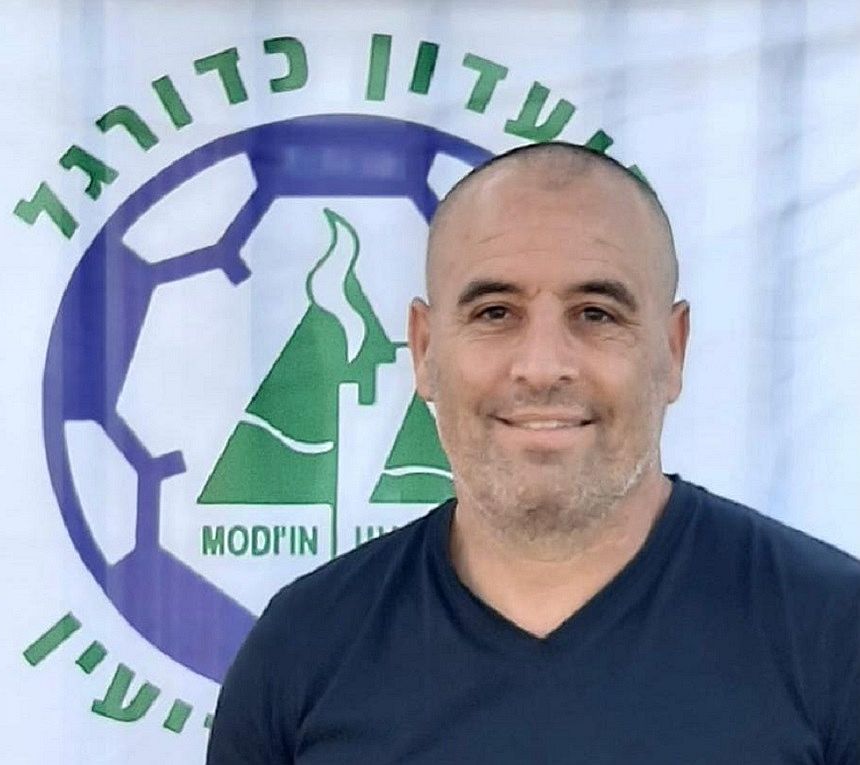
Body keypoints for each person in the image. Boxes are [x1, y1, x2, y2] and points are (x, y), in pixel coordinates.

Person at [207, 142, 860, 763]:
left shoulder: (835, 635)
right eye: (495, 312)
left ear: (673, 350)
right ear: (424, 350)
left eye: (596, 313)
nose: (543, 366)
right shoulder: (304, 647)